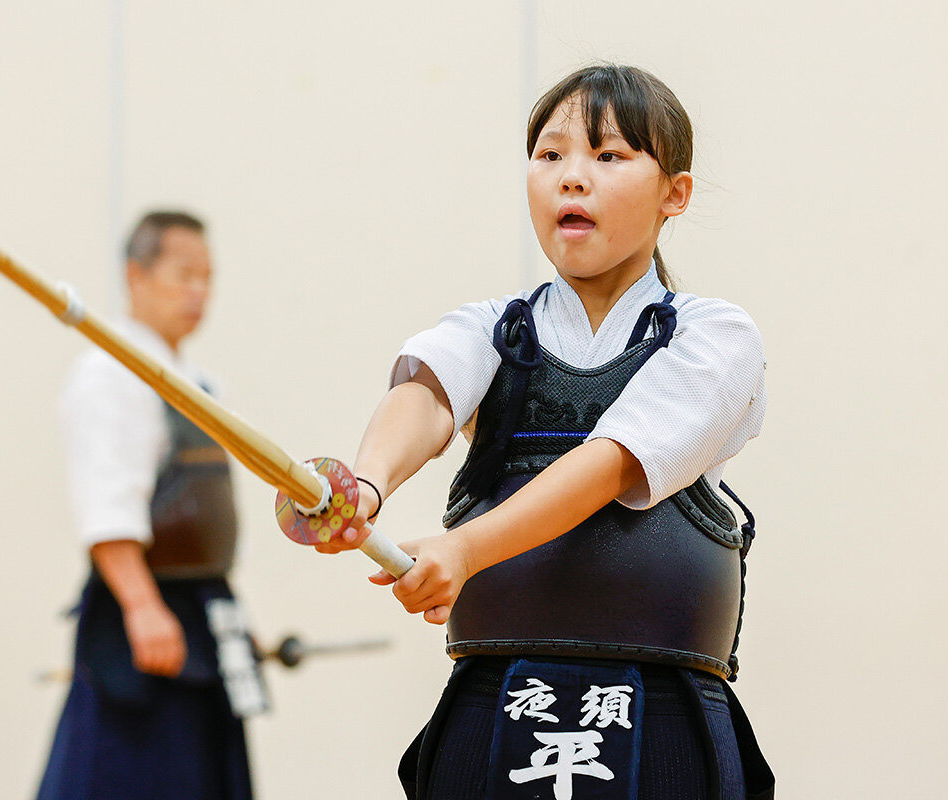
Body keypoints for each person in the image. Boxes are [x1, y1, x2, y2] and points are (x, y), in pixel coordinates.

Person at [317, 64, 775, 799]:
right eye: (550, 155)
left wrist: (465, 547)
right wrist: (366, 485)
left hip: (659, 709)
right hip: (496, 696)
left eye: (609, 155)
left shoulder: (714, 337)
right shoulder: (489, 328)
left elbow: (615, 462)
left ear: (674, 194)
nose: (572, 177)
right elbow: (426, 393)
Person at [37, 211, 262, 800]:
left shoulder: (199, 383)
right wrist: (141, 605)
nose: (199, 292)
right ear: (135, 276)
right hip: (145, 609)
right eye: (183, 274)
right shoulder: (108, 373)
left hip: (204, 606)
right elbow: (106, 501)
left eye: (208, 277)